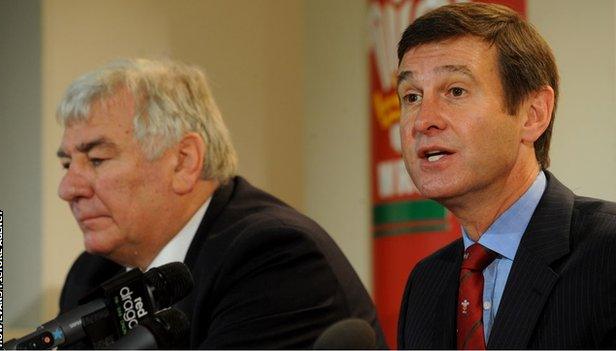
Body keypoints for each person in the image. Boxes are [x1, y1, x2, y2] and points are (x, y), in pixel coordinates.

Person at [55, 58, 386, 349]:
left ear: (184, 162)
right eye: (68, 164)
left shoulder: (273, 259)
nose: (68, 188)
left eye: (97, 159)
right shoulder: (92, 273)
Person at [395, 3, 616, 349]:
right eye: (411, 96)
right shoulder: (426, 284)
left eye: (455, 91)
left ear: (532, 114)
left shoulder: (607, 254)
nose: (423, 121)